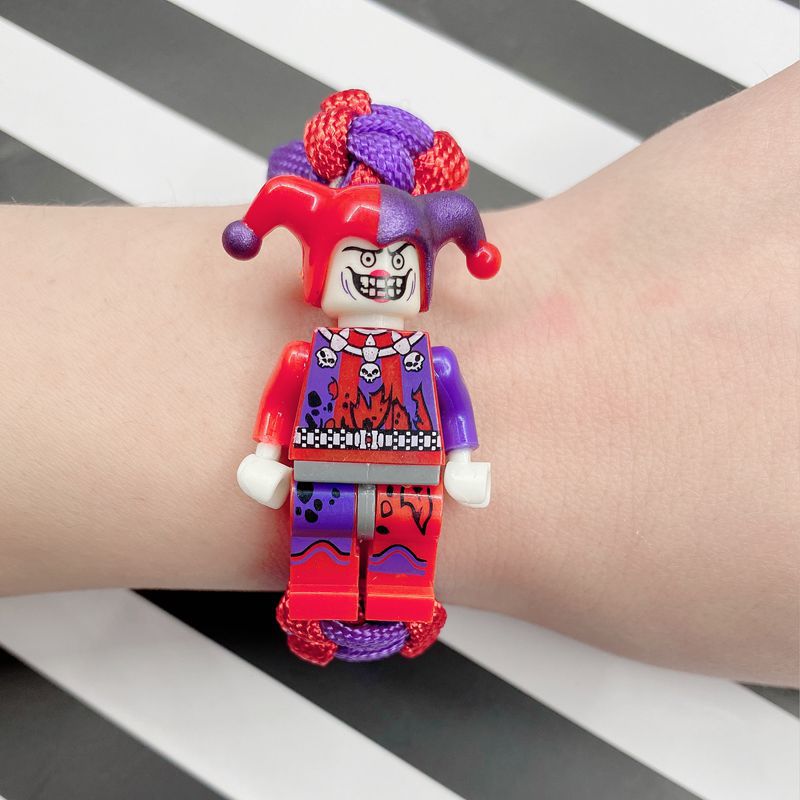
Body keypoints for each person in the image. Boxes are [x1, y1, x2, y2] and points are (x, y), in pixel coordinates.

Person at [1, 63, 797, 686]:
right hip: (320, 480)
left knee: (400, 564)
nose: (380, 275)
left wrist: (466, 462)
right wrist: (265, 458)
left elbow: (455, 408)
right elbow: (279, 403)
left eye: (397, 265)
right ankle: (324, 601)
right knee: (322, 560)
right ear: (321, 272)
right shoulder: (308, 356)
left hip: (411, 484)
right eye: (362, 263)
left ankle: (396, 605)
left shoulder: (430, 359)